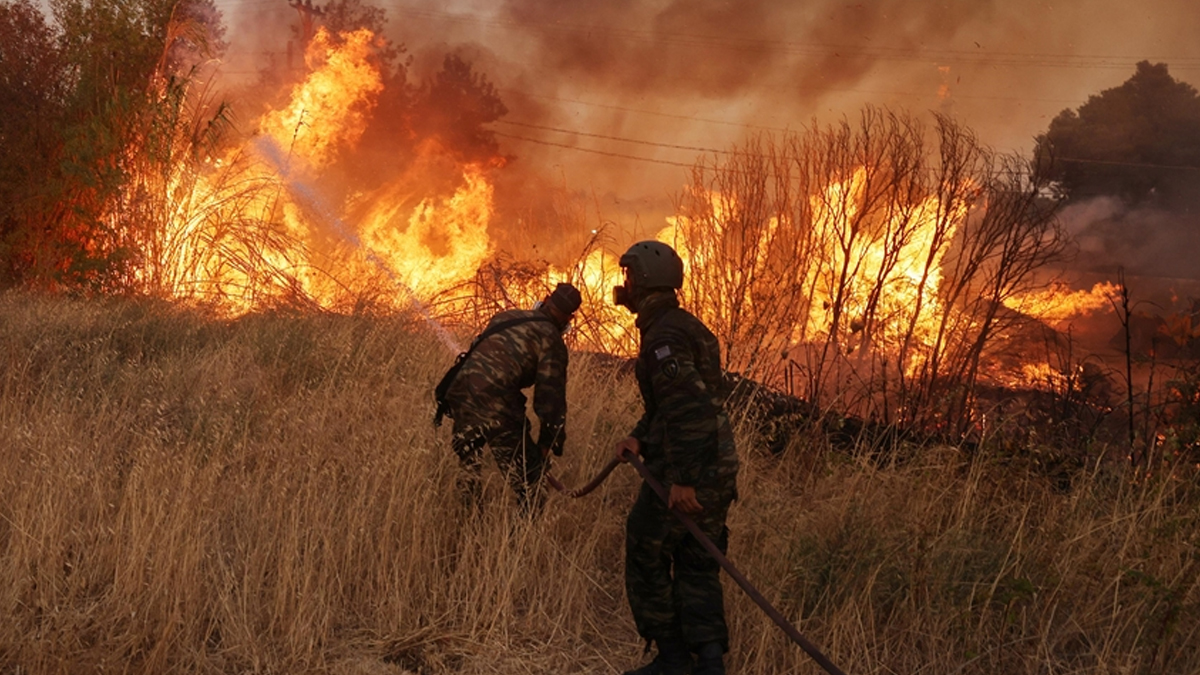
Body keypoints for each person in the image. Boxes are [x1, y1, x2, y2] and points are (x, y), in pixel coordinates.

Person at [612, 241, 739, 675]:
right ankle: (708, 662)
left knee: (644, 546)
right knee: (696, 560)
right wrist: (639, 439)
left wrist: (684, 479)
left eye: (629, 276)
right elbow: (673, 407)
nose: (623, 285)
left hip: (695, 468)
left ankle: (671, 658)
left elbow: (689, 410)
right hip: (717, 464)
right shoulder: (681, 325)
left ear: (644, 279)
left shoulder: (663, 336)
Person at [439, 282, 581, 511]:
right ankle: (519, 545)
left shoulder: (506, 316)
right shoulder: (552, 340)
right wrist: (548, 443)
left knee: (469, 469)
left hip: (461, 394)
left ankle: (470, 531)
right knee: (532, 486)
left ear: (545, 300)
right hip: (496, 405)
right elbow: (550, 399)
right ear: (567, 318)